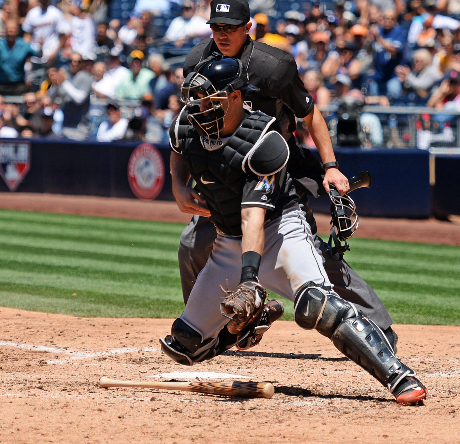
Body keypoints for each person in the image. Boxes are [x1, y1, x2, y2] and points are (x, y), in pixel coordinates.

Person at [161, 56, 427, 406]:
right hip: (228, 239)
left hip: (281, 230)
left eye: (212, 99)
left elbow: (253, 215)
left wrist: (250, 279)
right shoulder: (188, 124)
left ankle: (398, 375)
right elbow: (180, 150)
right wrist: (179, 187)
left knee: (317, 304)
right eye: (199, 100)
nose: (201, 107)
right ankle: (249, 323)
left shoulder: (265, 139)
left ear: (237, 97)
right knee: (184, 344)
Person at [175, 0, 398, 347]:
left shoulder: (271, 66)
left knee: (313, 256)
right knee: (193, 244)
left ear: (247, 28)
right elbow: (187, 122)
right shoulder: (198, 61)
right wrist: (179, 182)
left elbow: (310, 116)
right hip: (227, 168)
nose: (221, 33)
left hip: (273, 167)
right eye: (216, 27)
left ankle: (380, 330)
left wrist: (330, 167)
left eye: (229, 27)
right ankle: (219, 327)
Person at [0, 20, 40, 96]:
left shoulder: (23, 45)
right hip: (1, 83)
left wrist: (40, 46)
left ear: (17, 31)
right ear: (5, 31)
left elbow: (38, 55)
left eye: (13, 29)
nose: (11, 32)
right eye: (9, 29)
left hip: (18, 83)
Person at [22, 0, 69, 65]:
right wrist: (27, 51)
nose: (44, 0)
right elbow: (27, 34)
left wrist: (55, 53)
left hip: (51, 53)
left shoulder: (56, 13)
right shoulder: (32, 13)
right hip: (35, 54)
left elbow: (63, 35)